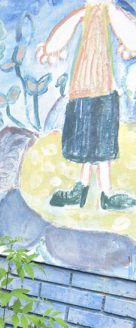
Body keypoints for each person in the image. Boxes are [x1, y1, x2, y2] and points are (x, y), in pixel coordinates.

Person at [37, 0, 136, 210]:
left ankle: (104, 193)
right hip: (83, 88)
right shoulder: (88, 12)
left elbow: (130, 37)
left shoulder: (110, 11)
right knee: (87, 144)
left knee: (101, 147)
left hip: (102, 88)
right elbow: (61, 34)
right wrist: (50, 47)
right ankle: (83, 189)